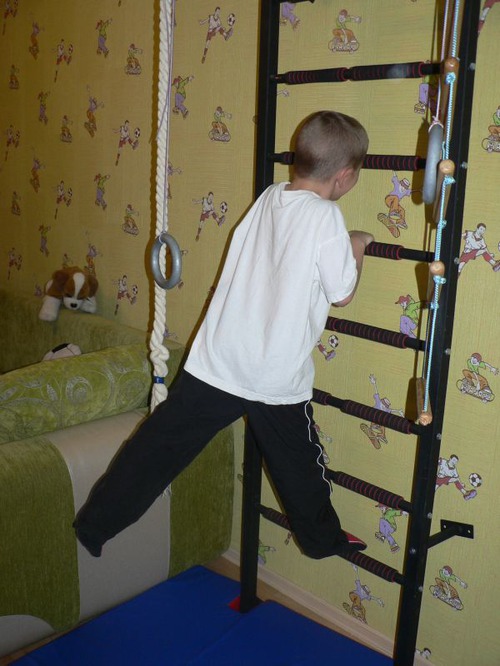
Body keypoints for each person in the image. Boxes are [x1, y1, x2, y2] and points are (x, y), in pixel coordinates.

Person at [74, 110, 374, 561]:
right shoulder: (326, 216)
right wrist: (357, 244)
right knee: (299, 466)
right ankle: (320, 540)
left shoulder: (271, 197)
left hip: (218, 359)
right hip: (272, 376)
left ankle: (95, 523)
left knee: (158, 446)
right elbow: (343, 292)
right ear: (346, 176)